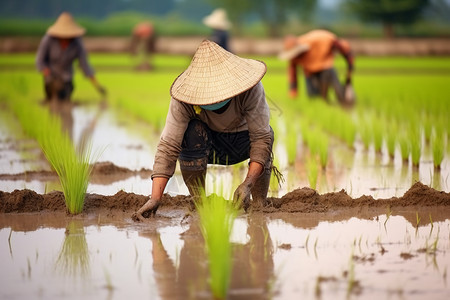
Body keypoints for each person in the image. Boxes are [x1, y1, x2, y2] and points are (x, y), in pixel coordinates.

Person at [133, 40, 275, 221]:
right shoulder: (184, 99)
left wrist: (247, 184)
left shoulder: (250, 90)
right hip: (205, 144)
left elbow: (260, 138)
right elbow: (168, 146)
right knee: (191, 131)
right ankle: (198, 202)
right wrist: (155, 198)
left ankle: (259, 204)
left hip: (242, 142)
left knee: (267, 135)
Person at [35, 12, 106, 102]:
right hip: (51, 78)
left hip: (67, 79)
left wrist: (97, 86)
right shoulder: (48, 40)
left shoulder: (77, 43)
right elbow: (40, 61)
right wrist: (47, 73)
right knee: (52, 101)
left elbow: (85, 65)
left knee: (66, 102)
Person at [278, 29, 355, 106]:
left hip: (326, 68)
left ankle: (345, 105)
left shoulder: (318, 39)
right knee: (314, 98)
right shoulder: (294, 57)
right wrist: (293, 89)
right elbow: (293, 70)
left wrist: (349, 68)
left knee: (338, 90)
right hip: (310, 72)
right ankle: (325, 107)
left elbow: (342, 49)